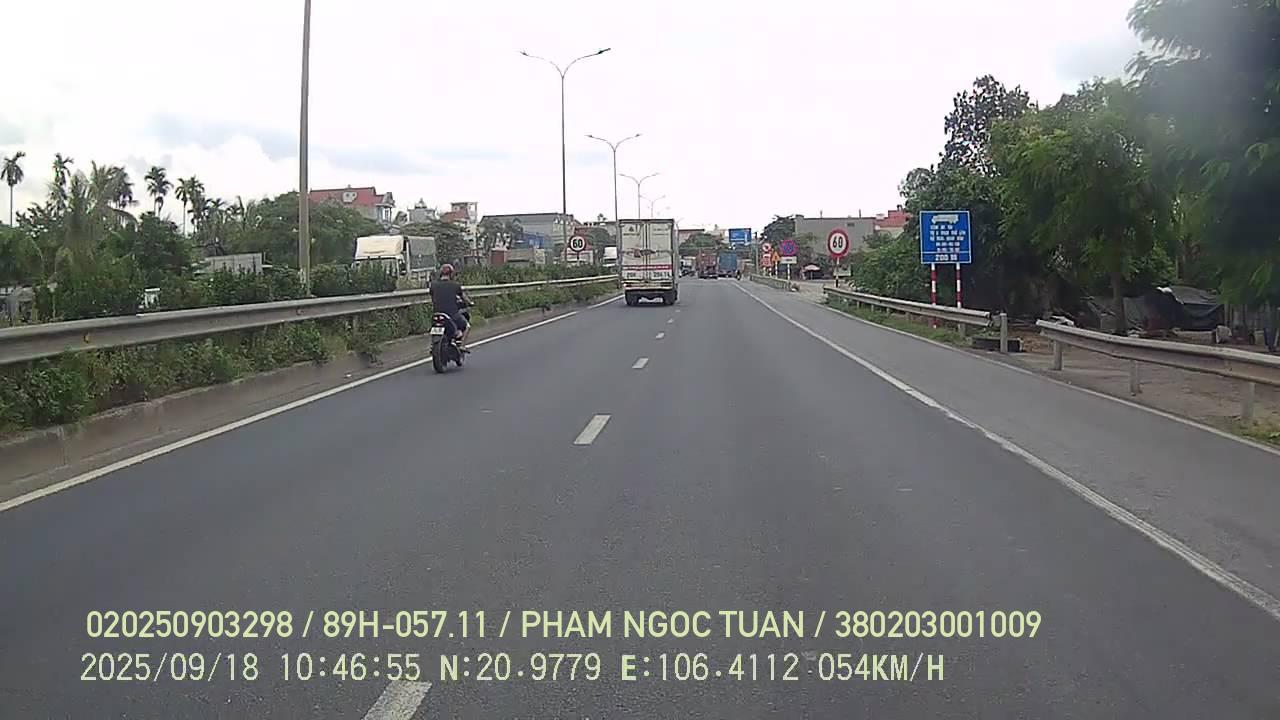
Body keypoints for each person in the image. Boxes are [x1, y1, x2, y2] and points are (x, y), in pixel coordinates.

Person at [430, 263, 471, 351]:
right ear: (451, 274)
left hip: (437, 314)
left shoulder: (433, 285)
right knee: (467, 326)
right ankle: (461, 345)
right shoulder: (455, 285)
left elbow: (432, 296)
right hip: (452, 315)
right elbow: (464, 297)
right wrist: (470, 303)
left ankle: (433, 345)